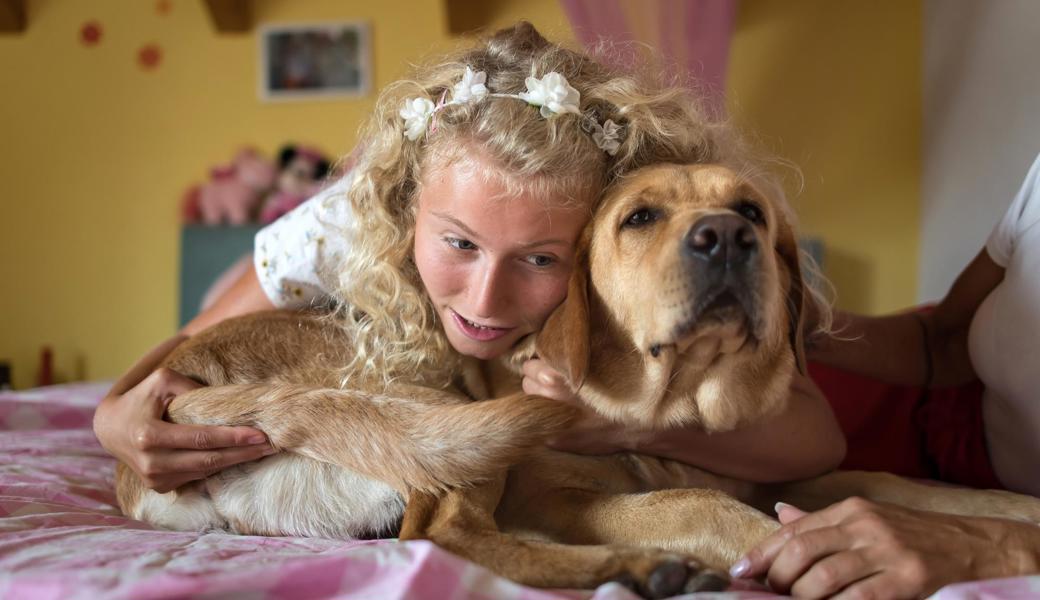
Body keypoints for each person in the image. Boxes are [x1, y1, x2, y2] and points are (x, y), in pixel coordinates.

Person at [93, 22, 845, 496]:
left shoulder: (632, 232)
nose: (486, 299)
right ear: (407, 207)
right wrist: (108, 421)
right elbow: (183, 354)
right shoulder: (343, 226)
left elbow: (818, 438)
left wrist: (621, 424)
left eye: (542, 258)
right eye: (459, 243)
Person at [733, 150, 1040, 597]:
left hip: (997, 486)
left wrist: (998, 546)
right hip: (932, 399)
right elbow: (943, 343)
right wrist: (801, 323)